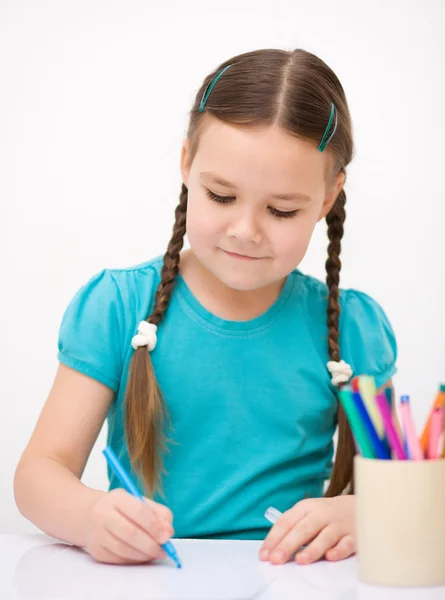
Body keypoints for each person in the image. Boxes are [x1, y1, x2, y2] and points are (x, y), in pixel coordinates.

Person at [14, 48, 397, 567]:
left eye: (282, 209)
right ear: (187, 165)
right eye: (221, 196)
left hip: (296, 580)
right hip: (150, 579)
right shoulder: (120, 307)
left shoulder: (353, 327)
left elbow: (403, 482)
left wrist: (364, 511)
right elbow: (39, 473)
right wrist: (89, 517)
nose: (246, 230)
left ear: (328, 198)